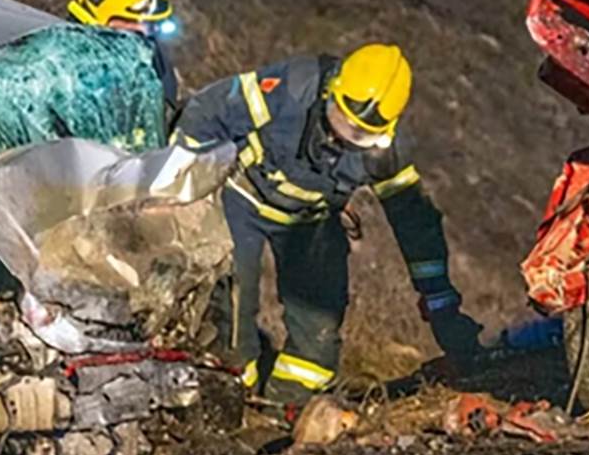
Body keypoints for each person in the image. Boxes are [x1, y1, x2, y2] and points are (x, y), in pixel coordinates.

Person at [174, 43, 482, 407]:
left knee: (318, 331)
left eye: (362, 135)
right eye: (340, 120)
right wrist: (179, 184)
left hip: (312, 219)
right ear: (330, 91)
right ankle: (229, 399)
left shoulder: (388, 153)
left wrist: (439, 298)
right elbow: (209, 110)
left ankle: (287, 408)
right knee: (232, 316)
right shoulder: (291, 87)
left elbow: (415, 224)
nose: (343, 137)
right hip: (242, 200)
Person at [64, 0, 182, 126]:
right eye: (129, 25)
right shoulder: (60, 65)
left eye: (150, 25)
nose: (142, 36)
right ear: (95, 19)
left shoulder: (158, 66)